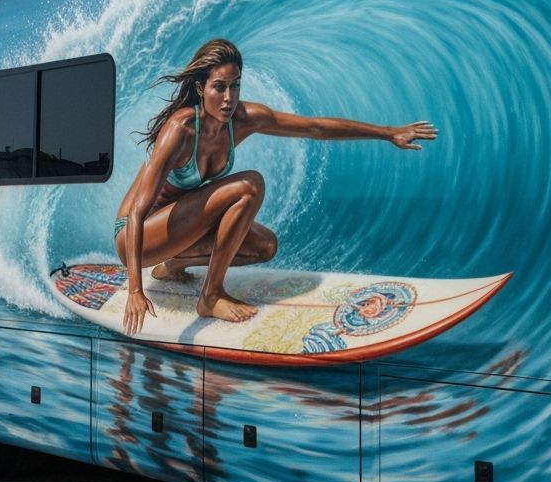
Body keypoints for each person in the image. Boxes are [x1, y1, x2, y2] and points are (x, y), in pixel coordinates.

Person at [114, 38, 438, 336]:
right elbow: (139, 210)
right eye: (219, 87)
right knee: (248, 186)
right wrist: (134, 291)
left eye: (235, 86)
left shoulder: (243, 119)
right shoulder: (180, 130)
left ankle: (174, 265)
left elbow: (314, 128)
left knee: (263, 247)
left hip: (181, 229)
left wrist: (386, 132)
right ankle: (210, 296)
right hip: (136, 236)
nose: (228, 98)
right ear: (200, 89)